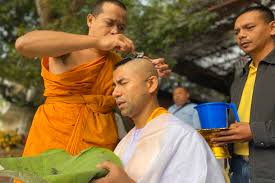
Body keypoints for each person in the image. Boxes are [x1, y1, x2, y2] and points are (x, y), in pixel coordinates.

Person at [15, 0, 170, 157]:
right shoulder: (67, 48)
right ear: (90, 20)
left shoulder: (117, 64)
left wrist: (145, 70)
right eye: (109, 23)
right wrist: (98, 42)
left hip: (99, 147)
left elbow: (133, 100)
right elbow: (23, 44)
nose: (115, 31)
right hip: (52, 141)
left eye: (121, 28)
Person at [93, 58, 225, 183]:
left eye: (123, 83)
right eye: (114, 85)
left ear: (151, 84)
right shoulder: (124, 143)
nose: (115, 92)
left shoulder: (181, 136)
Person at [212, 6, 275, 183]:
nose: (240, 35)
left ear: (272, 28)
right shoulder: (241, 76)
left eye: (249, 27)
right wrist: (222, 135)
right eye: (237, 31)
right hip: (238, 169)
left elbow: (251, 129)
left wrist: (255, 131)